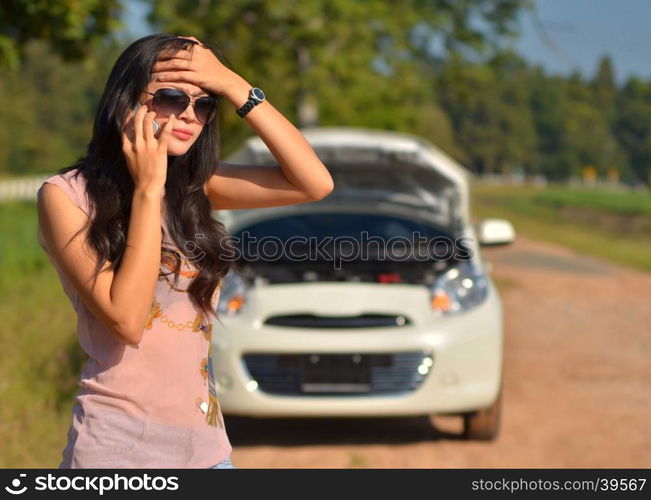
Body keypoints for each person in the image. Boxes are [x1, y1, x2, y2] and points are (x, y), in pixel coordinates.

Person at [36, 33, 334, 469]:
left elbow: (314, 183)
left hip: (209, 454)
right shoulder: (66, 197)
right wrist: (147, 190)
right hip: (116, 454)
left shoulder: (194, 187)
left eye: (204, 103)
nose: (190, 115)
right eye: (173, 97)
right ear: (125, 101)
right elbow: (126, 320)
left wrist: (233, 85)